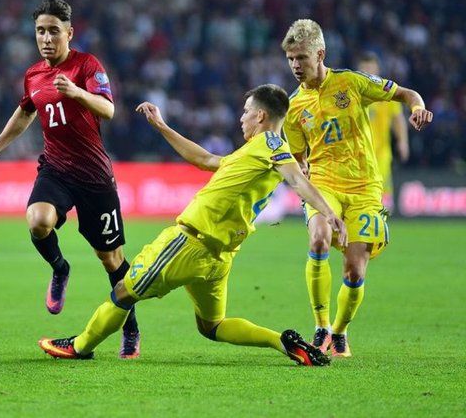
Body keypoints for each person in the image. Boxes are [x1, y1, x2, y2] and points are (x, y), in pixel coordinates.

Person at [39, 84, 347, 366]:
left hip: (190, 243)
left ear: (261, 116)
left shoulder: (270, 143)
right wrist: (162, 127)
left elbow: (297, 179)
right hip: (219, 257)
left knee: (122, 292)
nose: (241, 118)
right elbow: (206, 160)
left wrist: (328, 213)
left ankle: (79, 346)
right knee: (212, 326)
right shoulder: (254, 153)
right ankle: (282, 342)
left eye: (246, 112)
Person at [0, 0, 140, 359]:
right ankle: (60, 268)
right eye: (40, 31)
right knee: (38, 221)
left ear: (69, 33)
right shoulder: (33, 75)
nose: (46, 38)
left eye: (53, 31)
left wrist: (77, 92)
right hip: (56, 170)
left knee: (111, 260)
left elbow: (109, 109)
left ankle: (130, 327)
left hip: (94, 177)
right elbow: (24, 113)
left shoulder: (87, 65)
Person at [281, 19, 433, 357]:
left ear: (320, 54)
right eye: (290, 59)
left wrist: (418, 108)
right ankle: (321, 326)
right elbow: (298, 157)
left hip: (364, 186)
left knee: (354, 269)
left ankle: (340, 331)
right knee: (318, 238)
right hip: (324, 184)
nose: (295, 65)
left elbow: (406, 94)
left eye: (301, 57)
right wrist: (299, 167)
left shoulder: (351, 82)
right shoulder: (293, 108)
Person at [357, 51, 409, 211]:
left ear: (378, 70)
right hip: (357, 153)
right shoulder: (352, 92)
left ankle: (381, 218)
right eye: (364, 69)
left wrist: (402, 141)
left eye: (371, 68)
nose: (368, 72)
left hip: (380, 153)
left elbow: (398, 118)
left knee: (380, 189)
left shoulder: (387, 92)